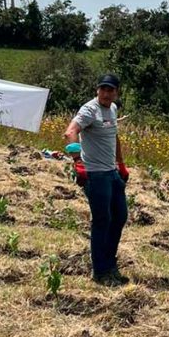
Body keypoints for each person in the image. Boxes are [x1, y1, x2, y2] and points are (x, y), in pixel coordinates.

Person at [64, 74, 130, 287]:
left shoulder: (112, 109)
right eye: (102, 89)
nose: (106, 93)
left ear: (116, 92)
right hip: (95, 174)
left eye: (110, 90)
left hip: (111, 172)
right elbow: (70, 132)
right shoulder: (89, 110)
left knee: (120, 216)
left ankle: (110, 262)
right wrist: (78, 162)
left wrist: (121, 164)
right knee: (102, 220)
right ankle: (100, 271)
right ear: (97, 90)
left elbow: (114, 137)